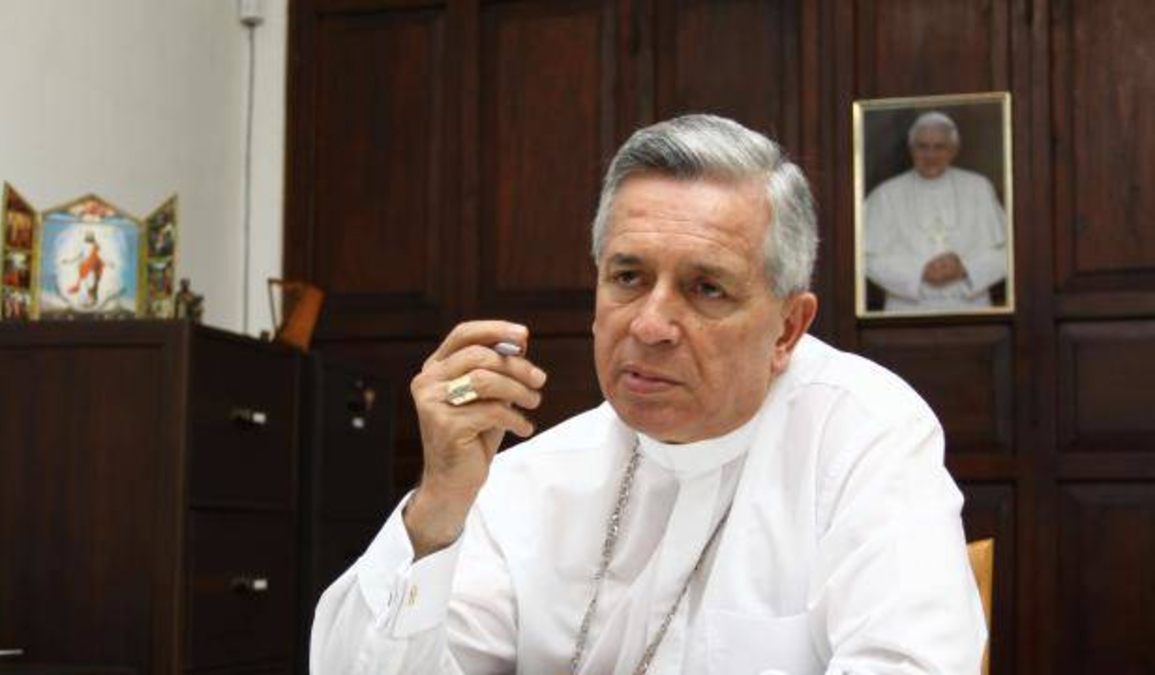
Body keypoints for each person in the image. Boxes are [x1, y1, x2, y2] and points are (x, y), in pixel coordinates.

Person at [311, 115, 986, 674]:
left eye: (706, 288)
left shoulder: (865, 437)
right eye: (628, 277)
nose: (650, 325)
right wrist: (438, 506)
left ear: (788, 328)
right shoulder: (530, 478)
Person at [863, 111, 1008, 312]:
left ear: (953, 150)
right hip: (906, 309)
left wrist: (965, 269)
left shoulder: (979, 188)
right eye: (923, 147)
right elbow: (866, 259)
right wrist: (919, 272)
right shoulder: (885, 195)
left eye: (939, 147)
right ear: (911, 149)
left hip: (971, 307)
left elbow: (1008, 252)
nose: (930, 155)